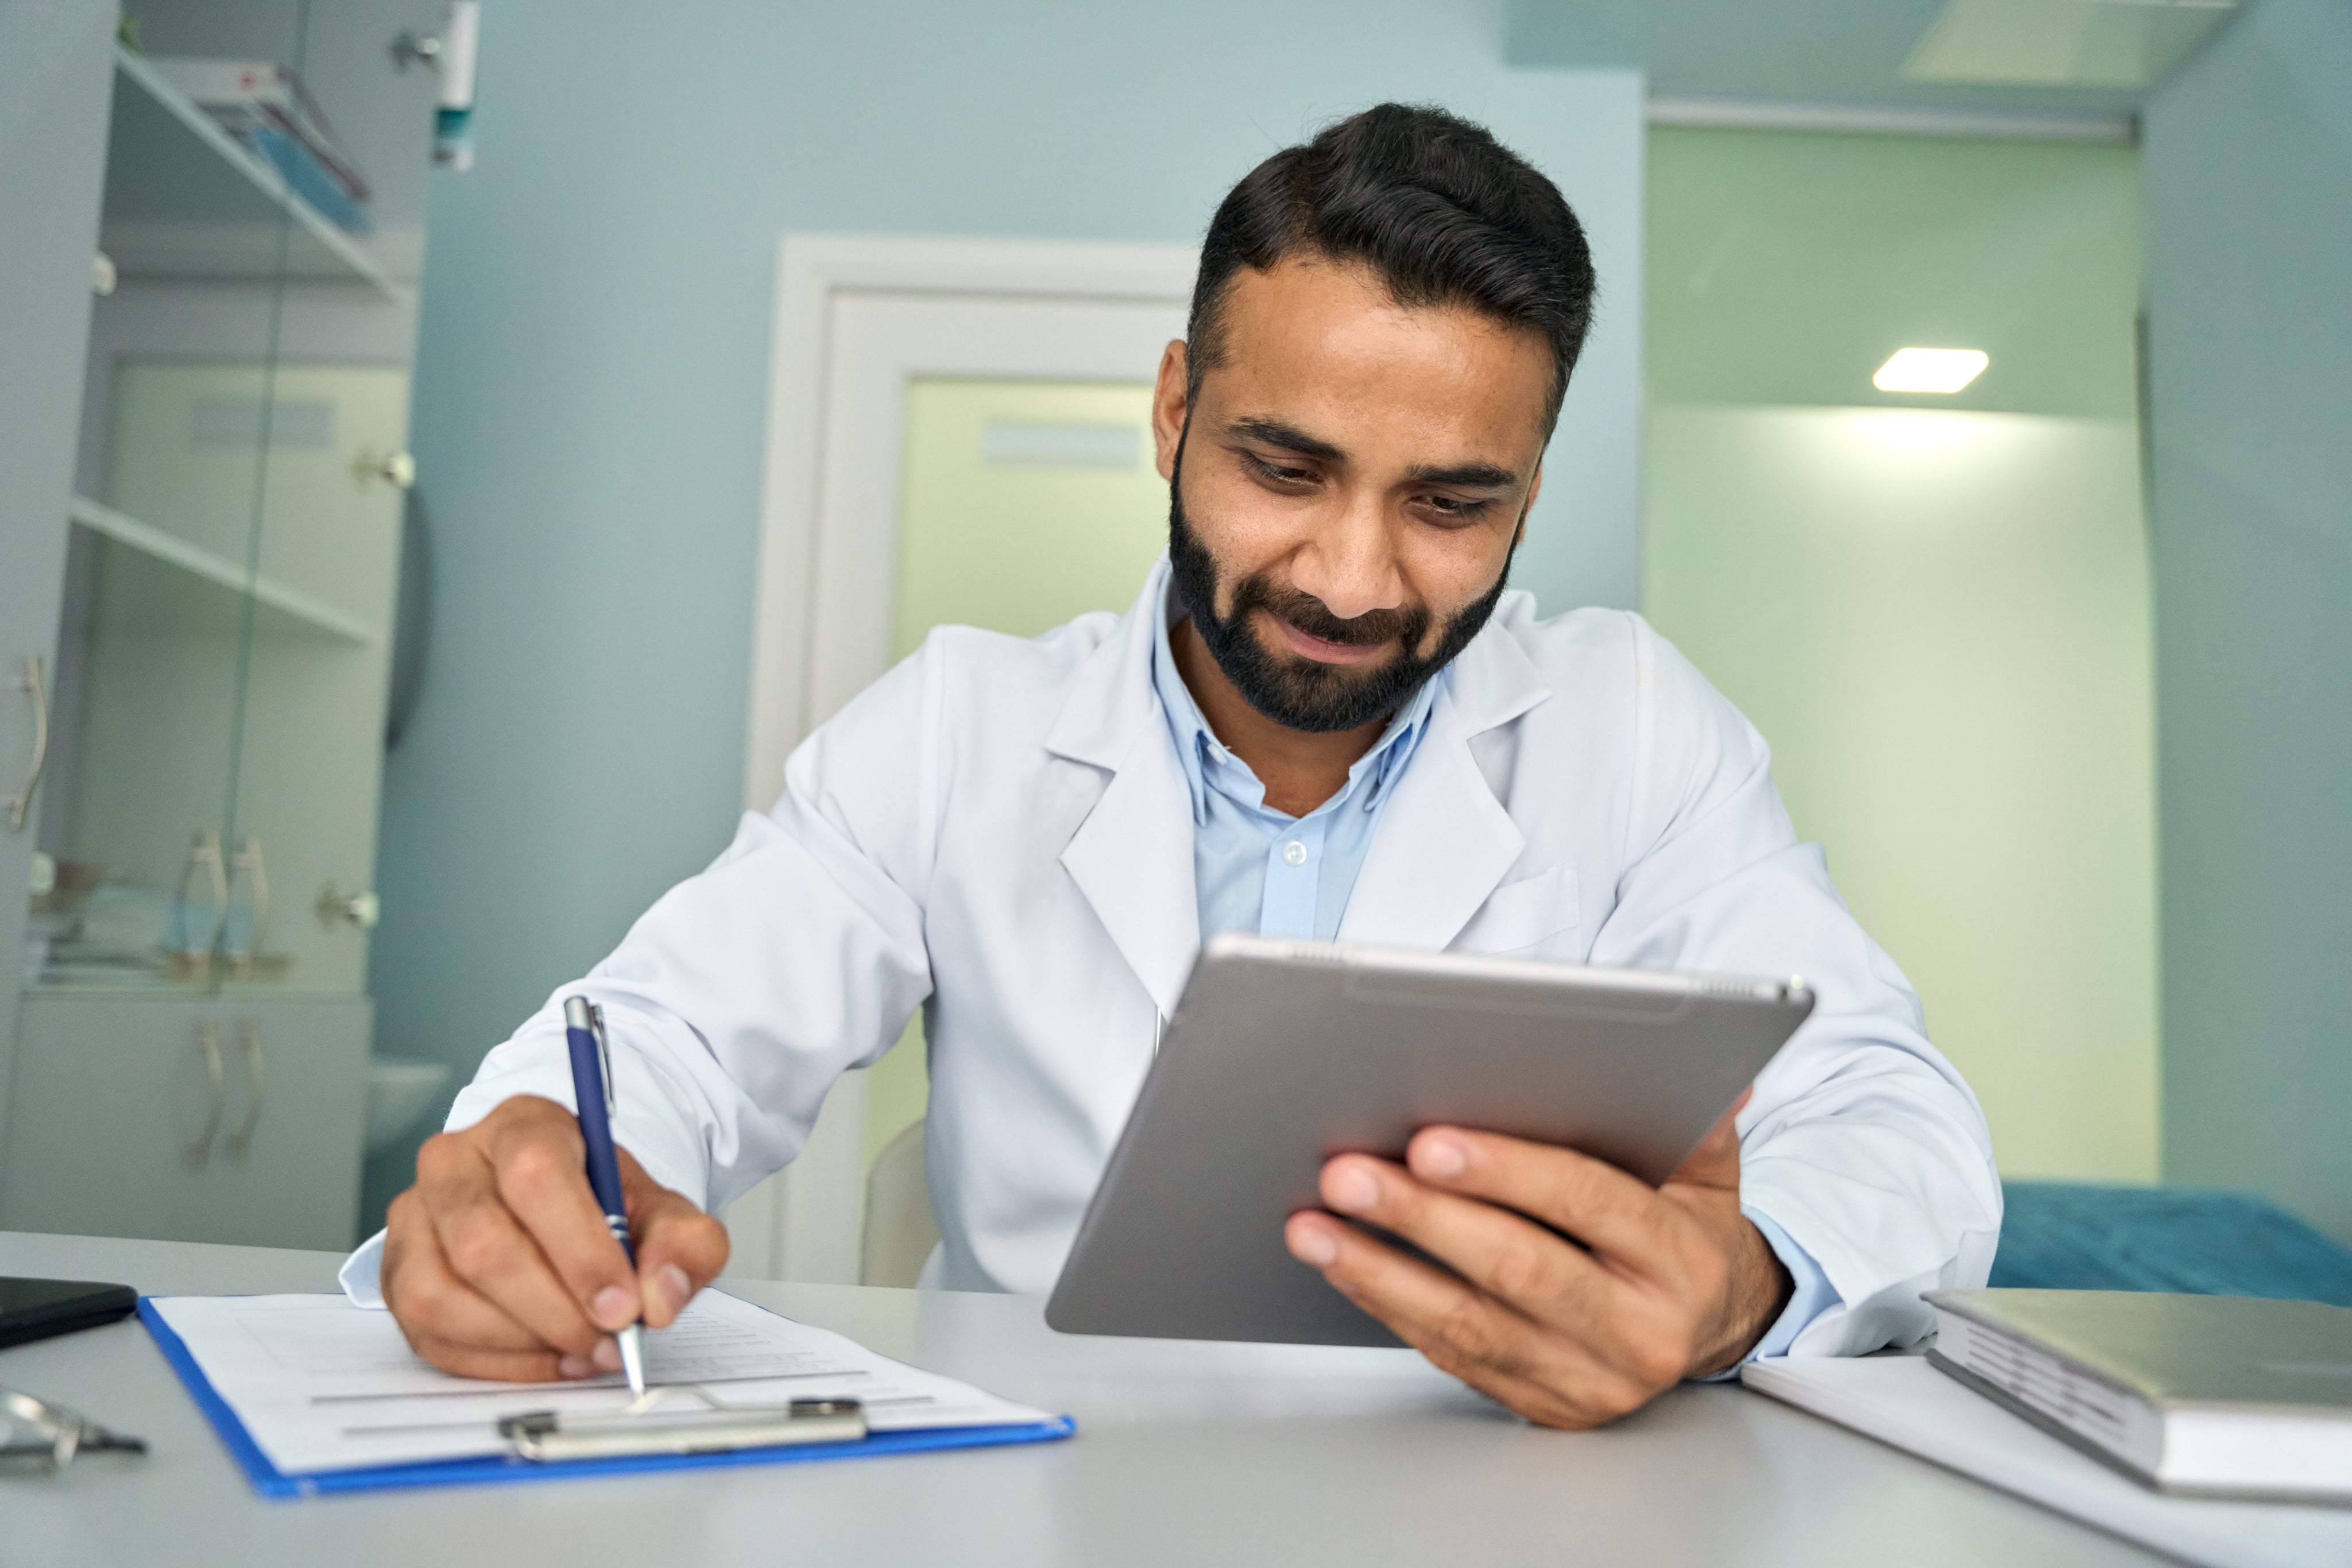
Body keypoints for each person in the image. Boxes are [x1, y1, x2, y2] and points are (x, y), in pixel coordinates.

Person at [345, 103, 1999, 1429]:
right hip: (1038, 1493)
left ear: (1533, 489)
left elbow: (1896, 1118)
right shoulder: (960, 730)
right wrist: (528, 1193)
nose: (1353, 579)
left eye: (1451, 503)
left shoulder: (1631, 727)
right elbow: (667, 1041)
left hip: (1492, 1504)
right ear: (1172, 412)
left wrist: (1737, 1279)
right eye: (1287, 465)